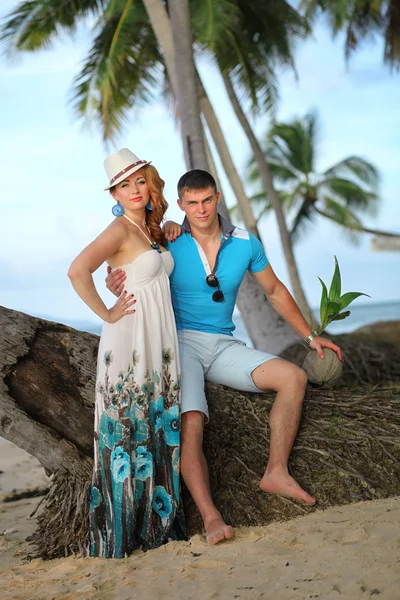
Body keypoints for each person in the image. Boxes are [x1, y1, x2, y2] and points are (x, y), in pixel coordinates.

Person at [106, 169, 343, 546]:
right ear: (182, 204)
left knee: (293, 378)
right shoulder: (166, 239)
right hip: (180, 343)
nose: (201, 210)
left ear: (218, 198)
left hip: (223, 344)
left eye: (207, 200)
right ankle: (212, 517)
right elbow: (127, 264)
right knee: (192, 423)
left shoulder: (245, 243)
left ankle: (276, 472)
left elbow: (276, 291)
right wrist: (111, 280)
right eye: (192, 203)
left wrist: (311, 336)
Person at [68, 148, 186, 558]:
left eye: (139, 180)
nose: (134, 189)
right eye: (124, 184)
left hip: (157, 340)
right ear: (114, 193)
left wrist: (168, 226)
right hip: (128, 340)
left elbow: (149, 271)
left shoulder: (149, 230)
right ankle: (120, 535)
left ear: (150, 184)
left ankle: (156, 526)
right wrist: (106, 310)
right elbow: (77, 270)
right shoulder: (118, 230)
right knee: (129, 429)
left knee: (155, 423)